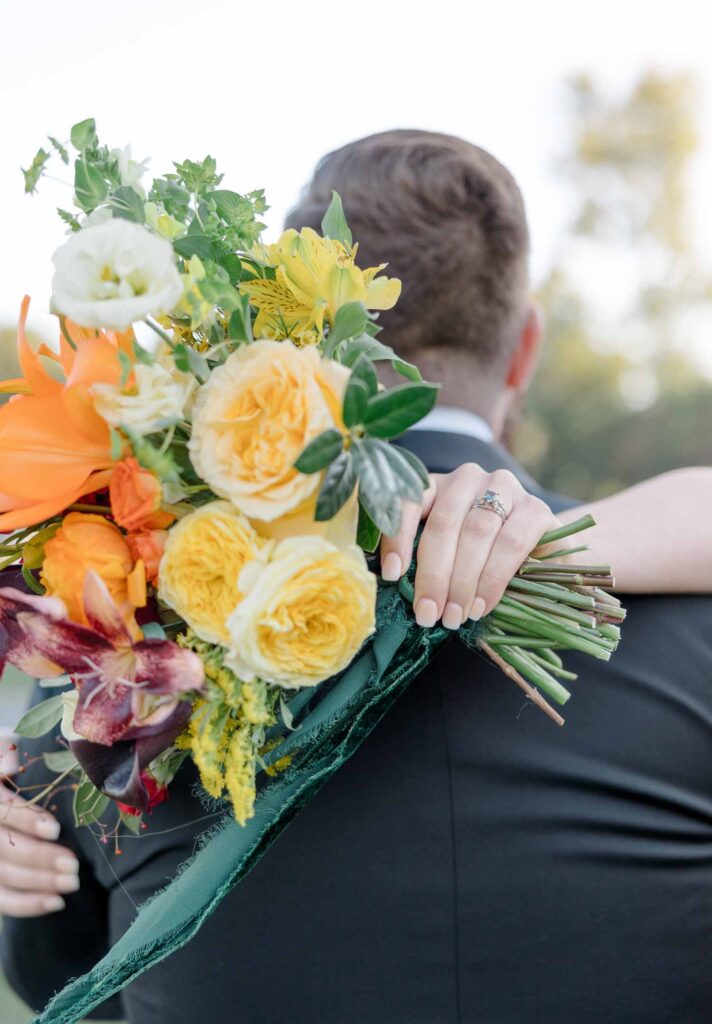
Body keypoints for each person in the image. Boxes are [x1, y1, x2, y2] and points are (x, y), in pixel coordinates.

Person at [2, 130, 711, 1024]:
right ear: (524, 350)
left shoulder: (119, 663)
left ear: (283, 345)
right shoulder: (695, 623)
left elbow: (69, 986)